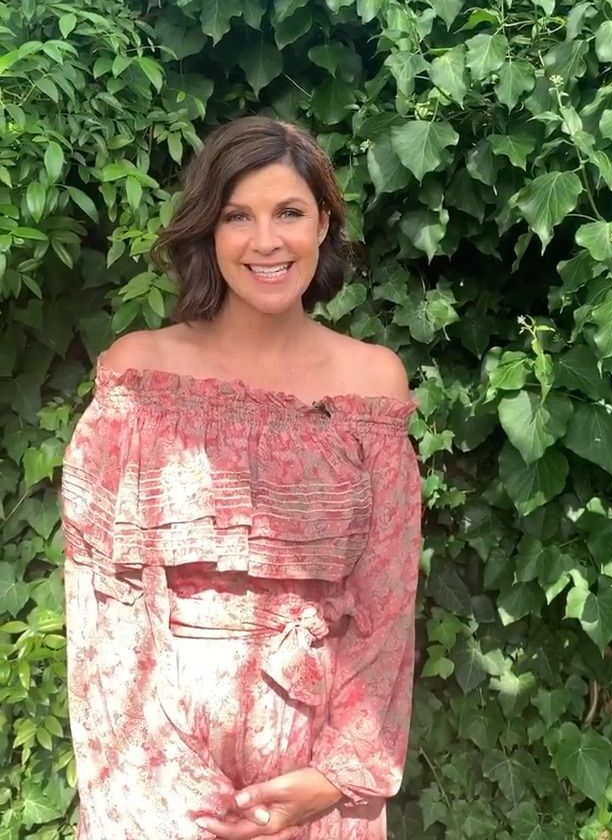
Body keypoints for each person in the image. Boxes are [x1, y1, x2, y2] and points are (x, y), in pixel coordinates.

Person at [61, 115, 422, 840]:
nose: (266, 241)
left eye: (288, 212)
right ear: (209, 230)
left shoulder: (372, 384)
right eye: (237, 216)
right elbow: (101, 607)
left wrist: (338, 775)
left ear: (323, 224)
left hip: (315, 778)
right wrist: (157, 790)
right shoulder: (140, 378)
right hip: (157, 772)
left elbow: (386, 604)